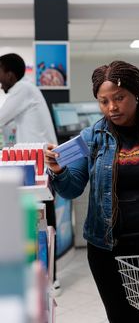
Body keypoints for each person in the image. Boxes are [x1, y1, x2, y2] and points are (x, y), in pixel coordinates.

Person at [44, 60, 139, 323]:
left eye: (119, 98)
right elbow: (72, 189)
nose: (112, 107)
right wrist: (59, 171)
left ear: (136, 94)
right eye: (103, 101)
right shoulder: (91, 137)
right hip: (108, 252)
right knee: (121, 319)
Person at [0, 53, 60, 296]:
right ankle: (43, 275)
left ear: (10, 74)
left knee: (45, 223)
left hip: (41, 163)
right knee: (41, 220)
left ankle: (51, 278)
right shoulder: (25, 91)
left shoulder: (22, 90)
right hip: (37, 161)